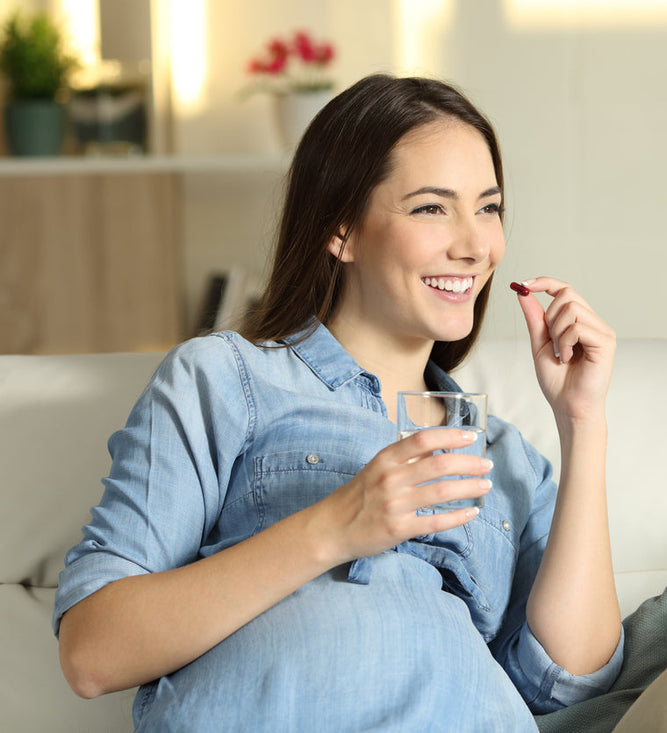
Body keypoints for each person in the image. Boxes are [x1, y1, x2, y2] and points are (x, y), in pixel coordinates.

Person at [53, 73, 624, 731]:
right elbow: (92, 651)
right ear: (341, 230)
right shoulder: (228, 379)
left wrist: (583, 421)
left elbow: (568, 681)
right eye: (431, 207)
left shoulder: (506, 457)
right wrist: (337, 525)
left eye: (489, 206)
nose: (474, 244)